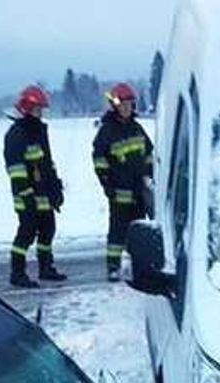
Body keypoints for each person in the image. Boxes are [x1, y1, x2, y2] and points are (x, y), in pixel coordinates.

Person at [3, 84, 67, 287]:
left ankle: (46, 268)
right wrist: (26, 193)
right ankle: (17, 272)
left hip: (44, 193)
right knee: (27, 232)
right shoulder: (16, 134)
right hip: (26, 195)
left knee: (48, 230)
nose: (40, 113)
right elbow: (16, 168)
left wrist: (55, 187)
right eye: (37, 109)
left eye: (41, 110)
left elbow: (47, 163)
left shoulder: (38, 131)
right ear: (26, 109)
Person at [92, 83, 154, 281]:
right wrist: (106, 183)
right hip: (119, 192)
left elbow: (149, 153)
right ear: (115, 106)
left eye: (130, 104)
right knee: (117, 231)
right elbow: (99, 160)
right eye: (123, 104)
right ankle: (113, 266)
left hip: (139, 191)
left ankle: (140, 265)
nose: (127, 108)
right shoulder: (106, 132)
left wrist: (149, 173)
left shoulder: (137, 128)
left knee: (139, 231)